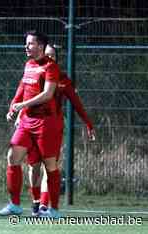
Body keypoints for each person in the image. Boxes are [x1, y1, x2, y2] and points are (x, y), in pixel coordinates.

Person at [0, 30, 62, 218]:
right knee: (12, 157)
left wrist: (23, 105)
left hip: (45, 123)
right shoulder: (28, 64)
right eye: (26, 43)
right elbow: (23, 87)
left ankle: (54, 210)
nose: (26, 47)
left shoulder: (51, 67)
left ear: (40, 46)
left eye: (30, 43)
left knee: (50, 166)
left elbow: (48, 94)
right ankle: (15, 205)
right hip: (26, 122)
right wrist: (12, 107)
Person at [26, 44, 96, 216]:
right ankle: (36, 202)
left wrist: (88, 123)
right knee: (33, 166)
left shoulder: (62, 79)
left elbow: (76, 102)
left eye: (52, 55)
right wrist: (19, 115)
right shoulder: (33, 72)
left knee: (48, 165)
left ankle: (44, 205)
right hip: (31, 125)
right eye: (46, 55)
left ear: (56, 59)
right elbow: (24, 95)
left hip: (52, 127)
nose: (49, 58)